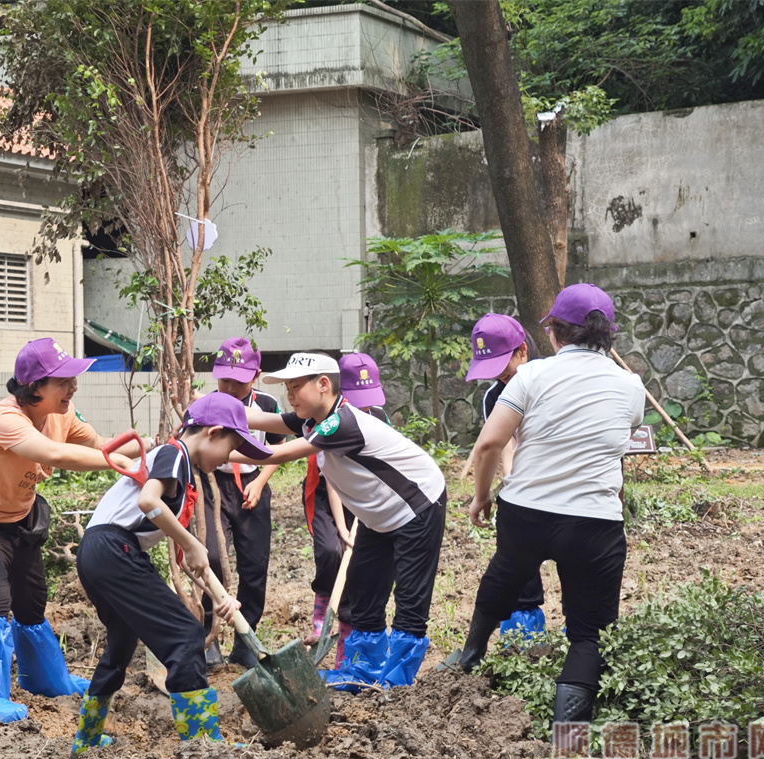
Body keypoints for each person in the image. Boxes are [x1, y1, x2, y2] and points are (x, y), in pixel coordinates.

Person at [447, 284, 645, 724]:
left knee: (502, 579)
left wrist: (481, 497)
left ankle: (468, 658)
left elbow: (490, 443)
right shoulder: (631, 387)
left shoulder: (531, 376)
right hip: (595, 524)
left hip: (527, 515)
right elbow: (617, 443)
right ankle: (569, 733)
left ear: (554, 333)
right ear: (608, 336)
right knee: (587, 634)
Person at [0, 338, 134, 723]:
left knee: (31, 603)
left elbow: (99, 444)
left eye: (73, 380)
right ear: (35, 388)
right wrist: (120, 465)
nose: (73, 387)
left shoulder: (63, 414)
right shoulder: (5, 419)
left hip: (18, 521)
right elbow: (54, 454)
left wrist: (147, 456)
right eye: (63, 381)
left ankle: (45, 679)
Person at [71, 393, 273, 756]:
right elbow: (148, 503)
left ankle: (86, 739)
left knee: (120, 645)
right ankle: (203, 749)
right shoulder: (173, 453)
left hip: (101, 552)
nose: (228, 459)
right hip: (114, 548)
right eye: (229, 450)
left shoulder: (183, 473)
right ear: (212, 433)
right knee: (185, 636)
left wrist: (221, 598)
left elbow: (187, 560)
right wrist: (193, 541)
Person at [235, 352, 447, 692]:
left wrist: (218, 451)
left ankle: (396, 685)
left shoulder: (340, 422)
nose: (289, 396)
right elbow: (265, 421)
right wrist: (212, 410)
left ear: (323, 385)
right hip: (377, 515)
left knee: (409, 596)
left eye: (296, 387)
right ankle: (362, 671)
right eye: (286, 388)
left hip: (417, 507)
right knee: (364, 589)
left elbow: (278, 453)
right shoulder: (313, 420)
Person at [200, 338, 286, 671]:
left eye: (240, 380)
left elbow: (278, 450)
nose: (231, 386)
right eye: (225, 379)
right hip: (214, 485)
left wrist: (260, 482)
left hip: (253, 486)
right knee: (210, 558)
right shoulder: (207, 404)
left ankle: (245, 639)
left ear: (257, 375)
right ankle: (210, 635)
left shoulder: (266, 404)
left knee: (254, 565)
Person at [463, 314, 548, 642]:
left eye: (503, 364)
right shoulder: (494, 396)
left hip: (561, 477)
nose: (499, 375)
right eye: (491, 368)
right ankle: (525, 630)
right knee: (517, 551)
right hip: (529, 479)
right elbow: (505, 446)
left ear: (522, 351)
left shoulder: (548, 381)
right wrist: (513, 488)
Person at [301, 353, 387, 665]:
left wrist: (366, 513)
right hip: (330, 493)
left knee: (360, 571)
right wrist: (342, 527)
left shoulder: (376, 419)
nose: (364, 407)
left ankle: (346, 647)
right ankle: (322, 609)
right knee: (331, 552)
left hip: (366, 495)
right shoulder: (328, 424)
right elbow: (333, 480)